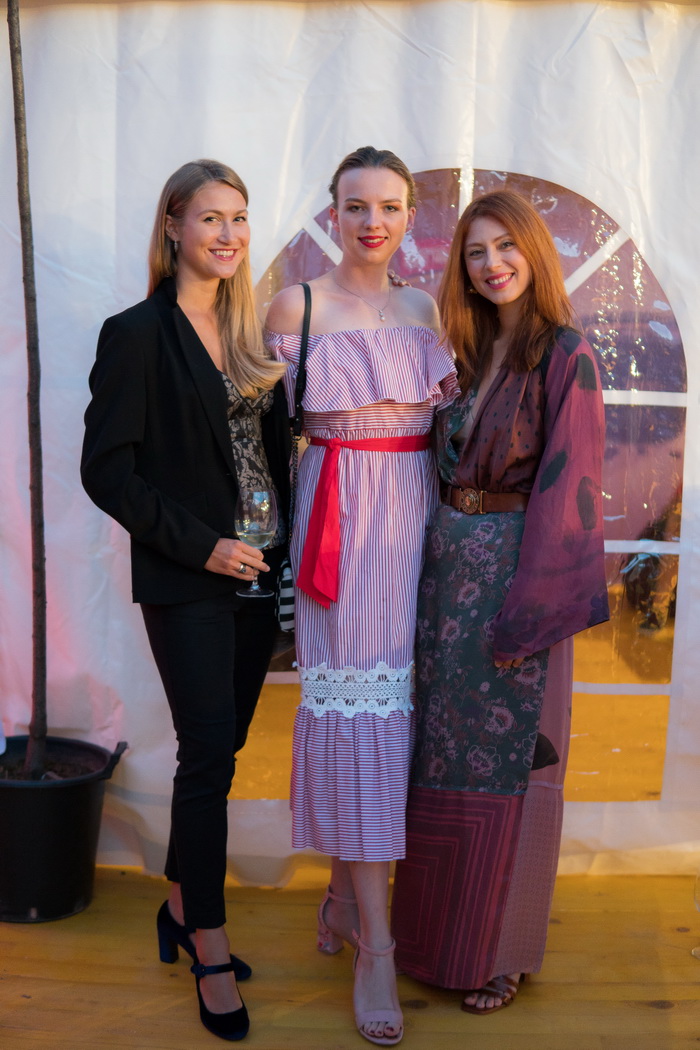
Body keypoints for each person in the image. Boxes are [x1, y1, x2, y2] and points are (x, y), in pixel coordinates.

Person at [81, 159, 290, 1042]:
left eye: (238, 218)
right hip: (190, 577)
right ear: (172, 226)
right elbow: (106, 471)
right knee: (206, 756)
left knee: (222, 751)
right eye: (210, 218)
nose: (228, 234)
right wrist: (201, 544)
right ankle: (208, 941)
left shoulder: (250, 332)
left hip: (261, 576)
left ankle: (177, 901)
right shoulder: (136, 333)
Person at [391, 190, 610, 1014]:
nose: (491, 265)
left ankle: (499, 953)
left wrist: (533, 609)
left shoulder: (567, 353)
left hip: (520, 582)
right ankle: (434, 941)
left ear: (534, 252)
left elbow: (572, 488)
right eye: (476, 252)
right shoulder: (468, 352)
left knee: (513, 768)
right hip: (446, 580)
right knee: (443, 761)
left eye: (505, 246)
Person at [264, 146, 457, 1046]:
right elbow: (257, 436)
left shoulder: (424, 310)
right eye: (355, 206)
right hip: (338, 523)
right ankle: (376, 948)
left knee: (394, 716)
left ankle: (345, 899)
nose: (371, 221)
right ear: (332, 213)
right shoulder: (294, 307)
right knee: (359, 716)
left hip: (415, 520)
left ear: (409, 216)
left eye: (388, 206)